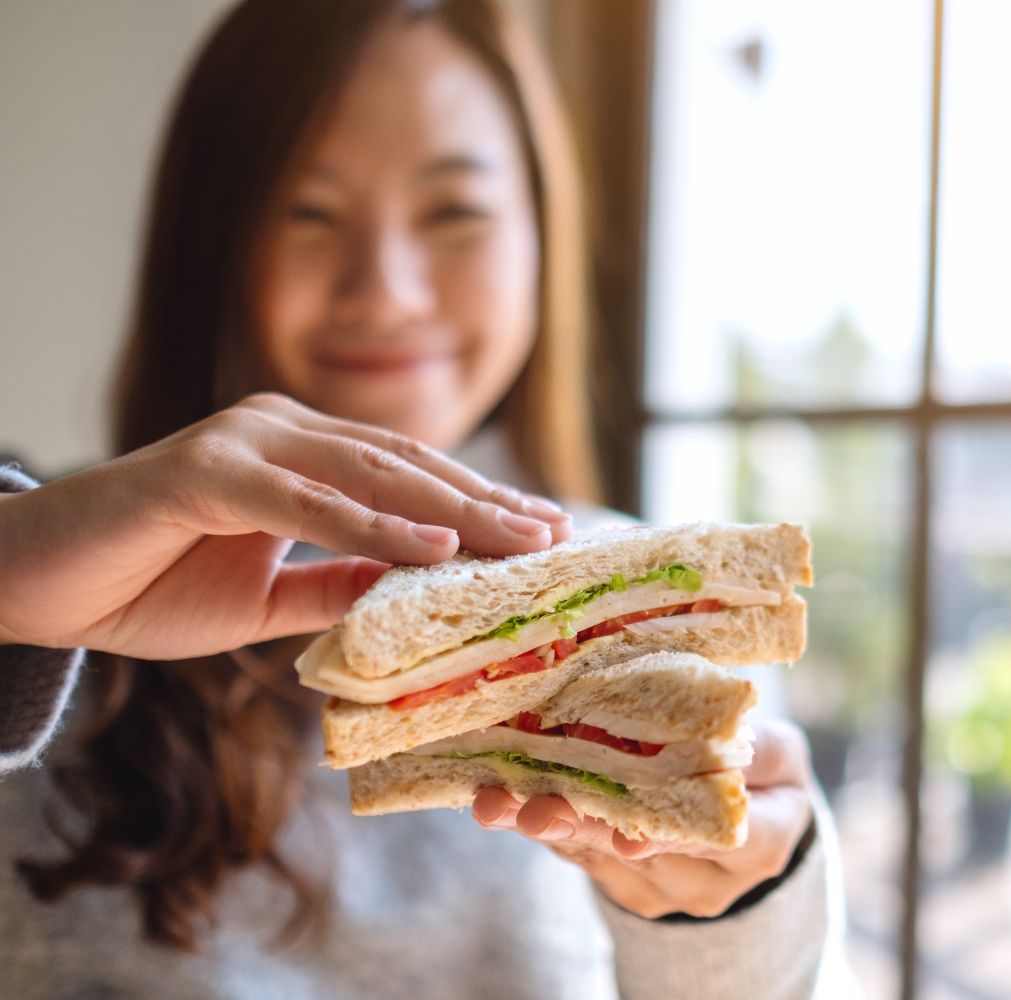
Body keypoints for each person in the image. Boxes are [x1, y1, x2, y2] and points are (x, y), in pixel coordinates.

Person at [0, 2, 841, 997]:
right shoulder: (53, 588)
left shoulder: (677, 637)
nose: (387, 288)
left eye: (454, 213)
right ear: (214, 246)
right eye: (308, 213)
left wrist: (731, 912)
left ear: (541, 235)